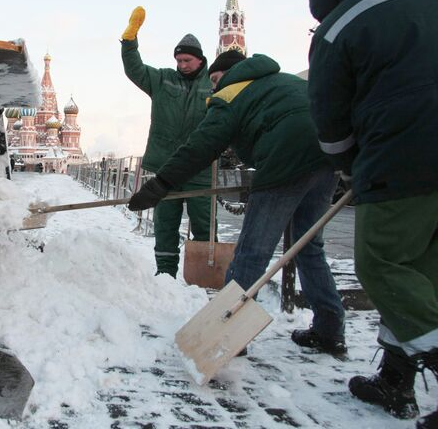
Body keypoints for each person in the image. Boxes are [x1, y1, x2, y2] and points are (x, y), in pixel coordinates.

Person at [307, 0, 438, 427]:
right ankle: (397, 380)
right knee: (419, 269)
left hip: (404, 152)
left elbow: (331, 123)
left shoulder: (337, 28)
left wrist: (350, 166)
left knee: (381, 266)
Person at [128, 50, 347, 355]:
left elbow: (201, 146)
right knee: (308, 244)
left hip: (284, 161)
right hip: (327, 159)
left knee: (251, 252)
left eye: (215, 79)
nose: (214, 88)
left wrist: (162, 183)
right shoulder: (282, 82)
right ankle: (330, 329)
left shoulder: (231, 94)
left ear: (231, 75)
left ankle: (225, 336)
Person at [121, 6, 214, 278]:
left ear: (200, 60)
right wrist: (129, 42)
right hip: (166, 167)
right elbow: (134, 68)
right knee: (165, 226)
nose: (182, 65)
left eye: (187, 60)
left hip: (201, 170)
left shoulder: (214, 83)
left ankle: (206, 278)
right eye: (179, 60)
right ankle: (165, 278)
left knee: (205, 227)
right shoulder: (163, 79)